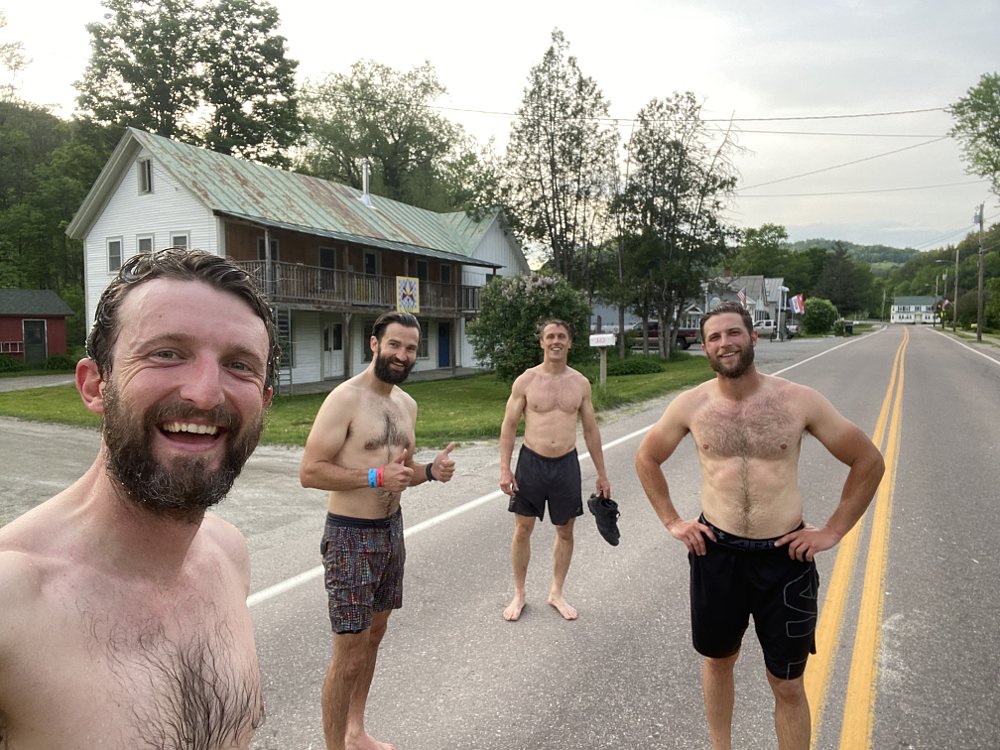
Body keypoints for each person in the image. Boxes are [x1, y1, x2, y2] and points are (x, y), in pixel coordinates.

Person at [0, 247, 281, 750]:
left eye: (239, 365)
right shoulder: (12, 603)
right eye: (167, 353)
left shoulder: (228, 557)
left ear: (262, 402)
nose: (205, 393)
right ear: (94, 385)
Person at [634, 301, 885, 750]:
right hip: (717, 554)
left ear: (754, 337)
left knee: (787, 684)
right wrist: (672, 521)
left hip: (784, 560)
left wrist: (832, 530)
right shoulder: (691, 405)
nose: (724, 343)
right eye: (714, 337)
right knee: (718, 662)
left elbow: (867, 460)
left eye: (733, 333)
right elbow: (647, 457)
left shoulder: (798, 401)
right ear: (705, 348)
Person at [299, 310, 456, 750]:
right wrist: (373, 479)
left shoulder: (407, 405)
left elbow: (400, 473)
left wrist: (431, 470)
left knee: (373, 639)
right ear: (374, 344)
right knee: (347, 657)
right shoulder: (345, 399)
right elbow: (310, 472)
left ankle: (356, 731)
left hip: (391, 532)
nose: (403, 354)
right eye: (394, 345)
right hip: (350, 535)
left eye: (410, 348)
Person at [499, 319, 611, 622]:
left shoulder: (580, 383)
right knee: (522, 529)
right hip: (531, 463)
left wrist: (602, 474)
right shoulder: (526, 381)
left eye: (561, 336)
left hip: (566, 464)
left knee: (566, 530)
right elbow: (509, 427)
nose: (556, 341)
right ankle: (520, 593)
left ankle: (556, 592)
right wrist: (505, 470)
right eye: (550, 336)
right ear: (542, 343)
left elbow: (590, 430)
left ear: (570, 342)